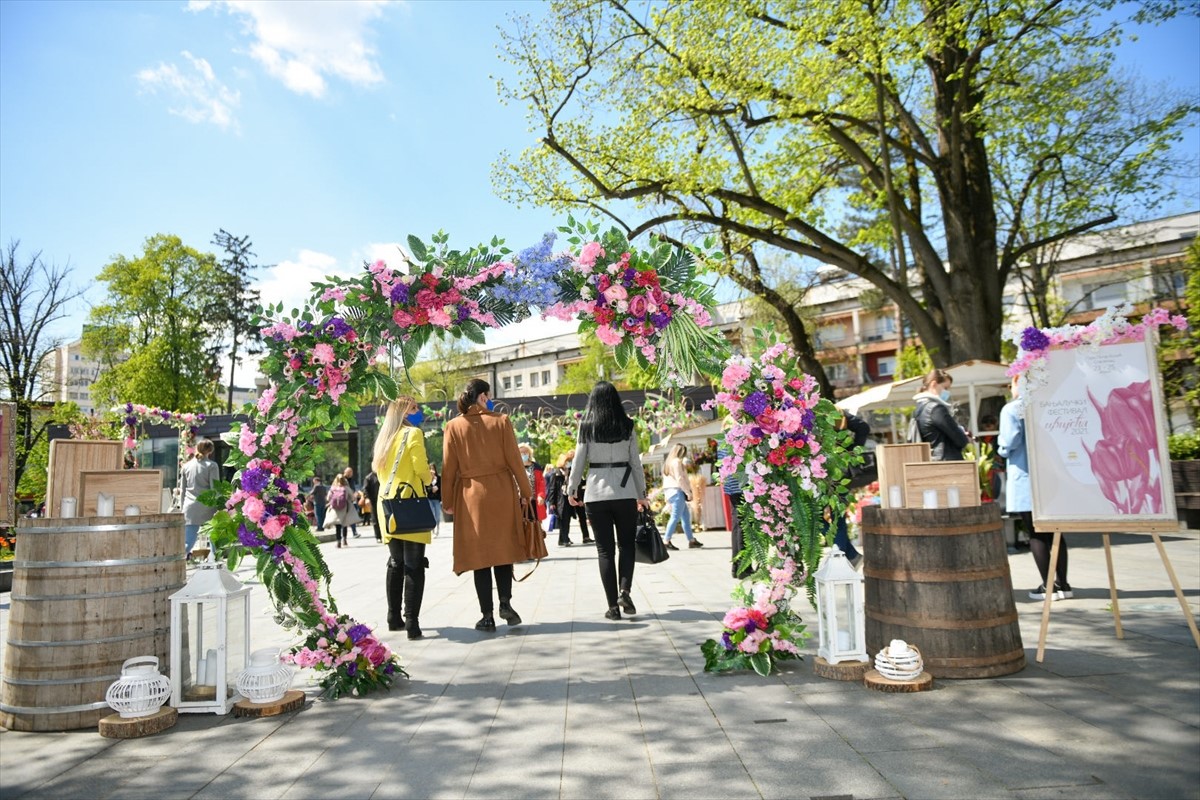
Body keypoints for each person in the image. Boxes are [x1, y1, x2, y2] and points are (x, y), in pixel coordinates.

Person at [442, 378, 531, 632]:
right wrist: (526, 493)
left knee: (480, 558)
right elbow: (516, 461)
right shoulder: (501, 421)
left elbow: (449, 470)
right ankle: (505, 603)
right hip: (502, 492)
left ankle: (487, 616)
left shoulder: (453, 426)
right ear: (482, 396)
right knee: (503, 551)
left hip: (471, 497)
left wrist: (447, 501)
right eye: (488, 395)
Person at [567, 381, 650, 620]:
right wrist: (642, 494)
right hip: (625, 493)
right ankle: (625, 591)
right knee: (627, 545)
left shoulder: (586, 426)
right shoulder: (627, 425)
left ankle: (613, 608)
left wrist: (572, 489)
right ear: (615, 399)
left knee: (605, 551)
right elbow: (635, 462)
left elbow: (579, 460)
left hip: (595, 494)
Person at [997, 378, 1072, 601]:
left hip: (1025, 477)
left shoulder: (1012, 409)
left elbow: (1009, 441)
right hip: (1050, 477)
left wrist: (1000, 451)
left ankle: (1048, 587)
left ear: (1018, 384)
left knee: (1035, 533)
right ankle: (1063, 584)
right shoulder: (1046, 404)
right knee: (1055, 532)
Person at [373, 395, 434, 637]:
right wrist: (430, 481)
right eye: (415, 408)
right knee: (414, 564)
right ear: (404, 413)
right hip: (410, 502)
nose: (419, 411)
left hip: (386, 505)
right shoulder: (413, 434)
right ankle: (412, 622)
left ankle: (393, 617)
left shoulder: (384, 438)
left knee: (396, 562)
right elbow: (420, 467)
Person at [832, 411, 872, 567]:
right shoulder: (833, 410)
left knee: (834, 514)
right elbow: (863, 428)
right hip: (833, 468)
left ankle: (843, 558)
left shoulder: (830, 410)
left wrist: (851, 451)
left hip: (833, 470)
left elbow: (863, 427)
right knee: (831, 515)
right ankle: (849, 555)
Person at [911, 368, 971, 461]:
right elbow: (960, 439)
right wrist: (962, 434)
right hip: (946, 460)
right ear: (933, 384)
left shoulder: (919, 408)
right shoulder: (936, 409)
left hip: (932, 459)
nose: (947, 392)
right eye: (945, 388)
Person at [180, 438, 219, 558]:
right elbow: (215, 489)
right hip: (207, 508)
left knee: (187, 543)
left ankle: (178, 563)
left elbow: (182, 490)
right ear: (210, 451)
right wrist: (219, 507)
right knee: (214, 540)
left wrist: (182, 509)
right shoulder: (212, 466)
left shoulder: (186, 466)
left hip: (190, 508)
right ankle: (214, 564)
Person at [661, 443, 703, 550]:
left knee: (685, 517)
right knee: (675, 517)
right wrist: (688, 492)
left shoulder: (668, 463)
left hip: (671, 492)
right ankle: (666, 541)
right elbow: (680, 478)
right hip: (677, 491)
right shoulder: (677, 462)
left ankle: (691, 540)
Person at [556, 449, 592, 546]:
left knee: (581, 517)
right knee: (565, 518)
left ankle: (585, 536)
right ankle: (564, 539)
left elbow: (579, 485)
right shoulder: (560, 472)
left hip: (576, 496)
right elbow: (555, 487)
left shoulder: (576, 469)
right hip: (565, 498)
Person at [518, 443, 547, 531]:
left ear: (529, 453)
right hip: (519, 501)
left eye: (525, 452)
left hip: (534, 501)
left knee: (535, 524)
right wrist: (521, 495)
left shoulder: (536, 467)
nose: (523, 455)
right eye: (521, 453)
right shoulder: (516, 467)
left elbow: (541, 483)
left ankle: (536, 542)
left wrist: (541, 496)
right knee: (522, 524)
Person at [327, 474, 359, 549]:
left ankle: (338, 542)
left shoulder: (333, 488)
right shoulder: (346, 488)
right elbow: (352, 498)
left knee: (337, 525)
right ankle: (344, 540)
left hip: (335, 509)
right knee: (344, 524)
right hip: (345, 508)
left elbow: (328, 498)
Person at [545, 453, 566, 538]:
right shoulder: (555, 473)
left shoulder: (567, 472)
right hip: (559, 499)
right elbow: (552, 488)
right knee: (563, 519)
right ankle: (564, 539)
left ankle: (563, 538)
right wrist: (552, 502)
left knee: (565, 519)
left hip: (565, 498)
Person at [363, 470, 382, 542]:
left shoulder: (383, 474)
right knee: (375, 519)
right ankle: (378, 536)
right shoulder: (369, 477)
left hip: (383, 499)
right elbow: (365, 489)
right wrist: (367, 498)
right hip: (374, 501)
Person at [343, 467, 361, 538]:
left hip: (351, 501)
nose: (351, 474)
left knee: (352, 517)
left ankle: (354, 532)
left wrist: (355, 493)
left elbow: (353, 489)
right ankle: (343, 536)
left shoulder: (352, 480)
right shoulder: (342, 479)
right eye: (350, 472)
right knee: (343, 519)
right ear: (346, 472)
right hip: (343, 501)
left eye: (351, 472)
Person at [427, 464, 442, 537]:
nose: (432, 470)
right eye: (431, 469)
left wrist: (437, 488)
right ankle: (433, 530)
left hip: (436, 499)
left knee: (438, 515)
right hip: (429, 499)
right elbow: (426, 488)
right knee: (432, 515)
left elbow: (441, 487)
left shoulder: (439, 478)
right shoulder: (427, 479)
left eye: (433, 469)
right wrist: (431, 488)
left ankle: (438, 529)